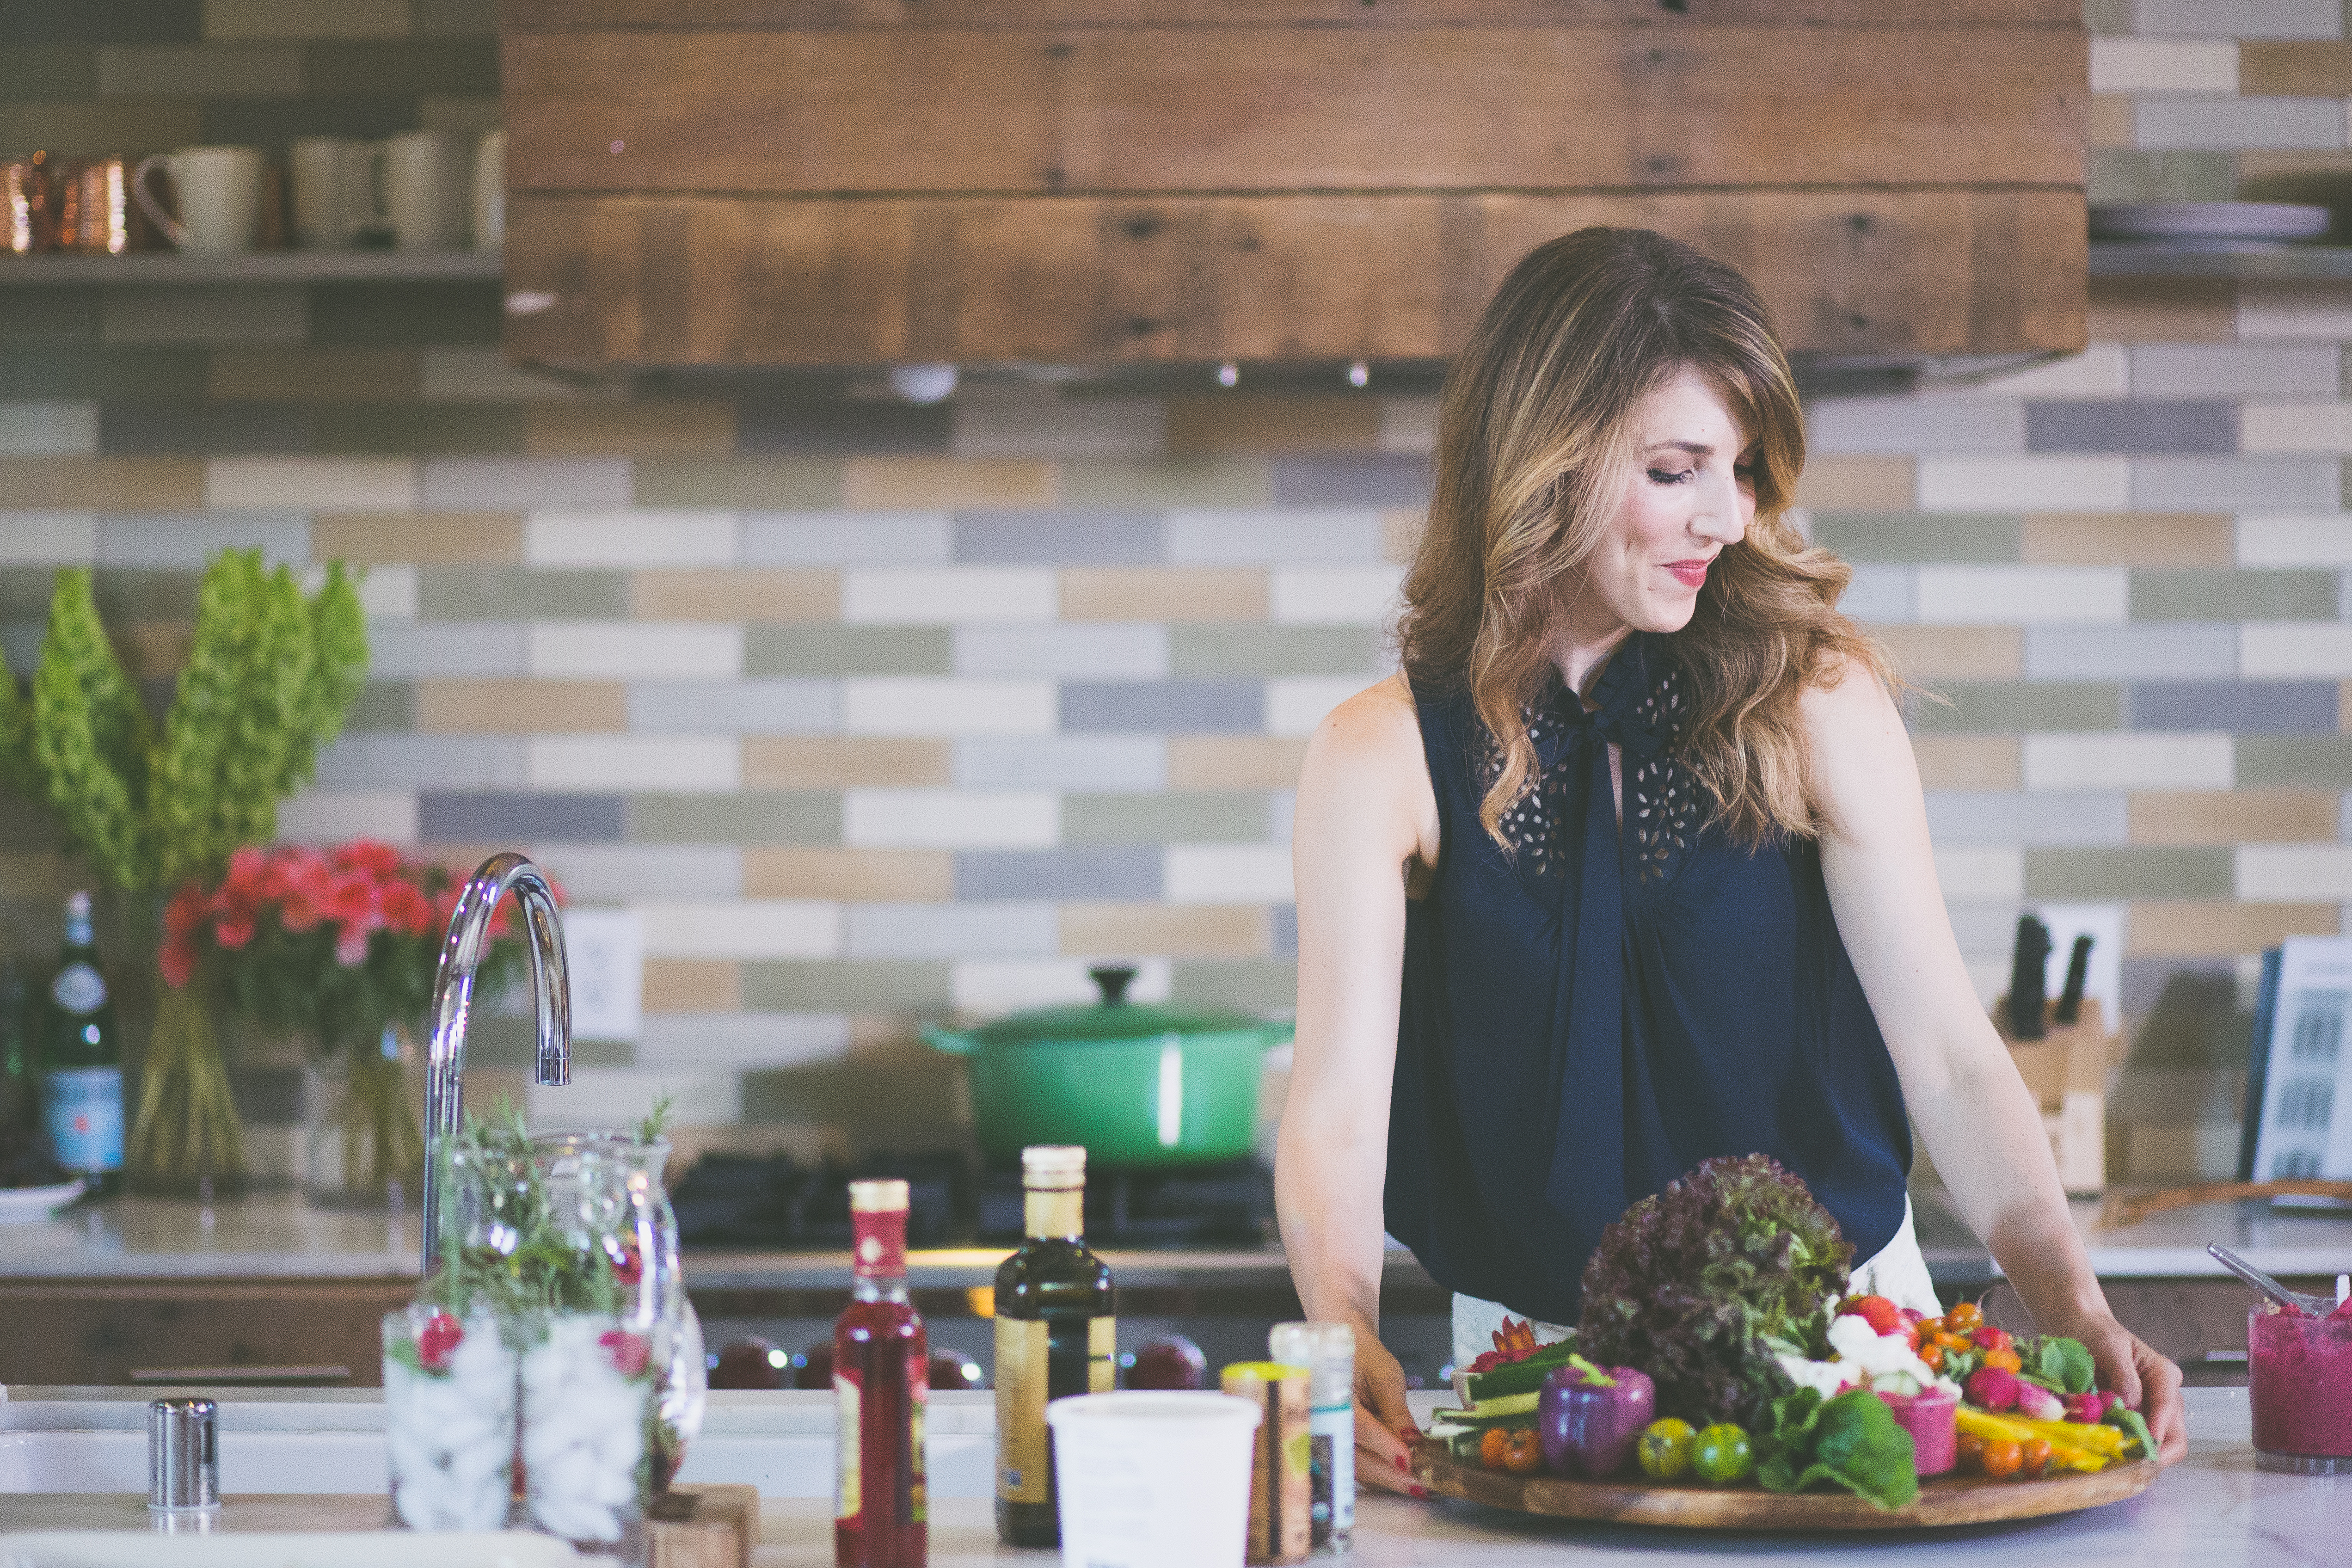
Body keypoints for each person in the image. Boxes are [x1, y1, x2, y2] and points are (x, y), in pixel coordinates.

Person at [1275, 227, 2187, 1498]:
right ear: (1548, 459)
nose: (1729, 515)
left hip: (1851, 1359)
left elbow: (1949, 1054)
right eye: (1675, 468)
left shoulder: (1815, 697)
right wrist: (1343, 1318)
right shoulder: (1379, 755)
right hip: (1537, 1373)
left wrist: (2071, 1299)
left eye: (1745, 468)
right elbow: (1335, 1106)